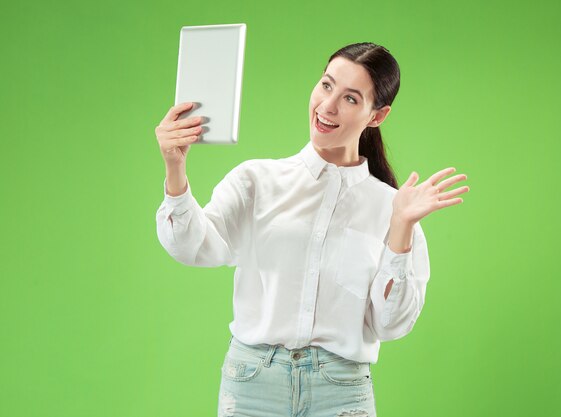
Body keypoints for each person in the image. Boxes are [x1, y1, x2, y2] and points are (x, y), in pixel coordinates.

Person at [154, 42, 469, 417]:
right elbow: (193, 247)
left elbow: (391, 324)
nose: (328, 106)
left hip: (341, 391)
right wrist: (175, 170)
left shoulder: (393, 207)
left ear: (377, 115)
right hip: (253, 383)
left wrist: (401, 228)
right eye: (326, 85)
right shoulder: (257, 180)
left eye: (351, 99)